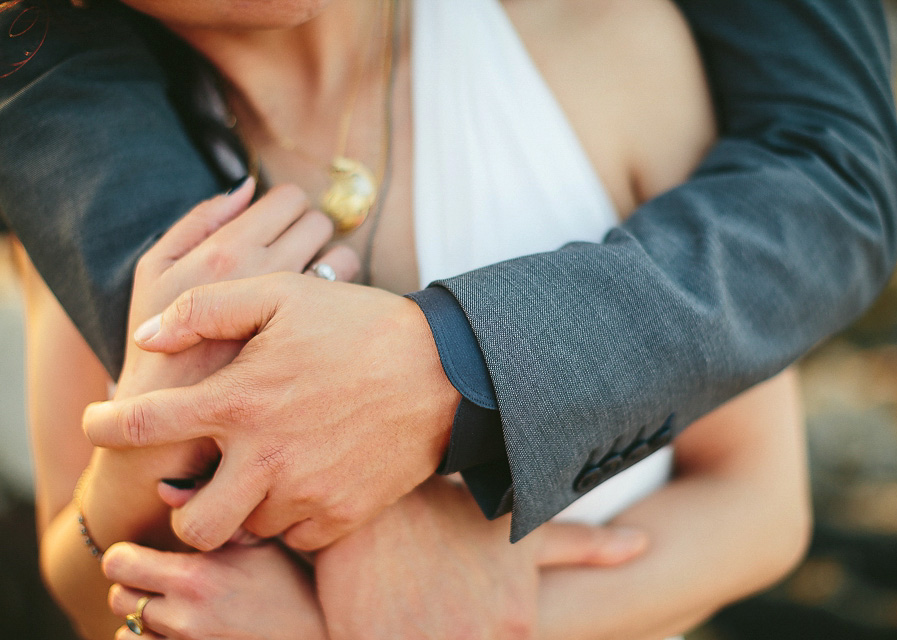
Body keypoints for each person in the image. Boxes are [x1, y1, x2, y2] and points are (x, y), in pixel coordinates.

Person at [12, 1, 812, 637]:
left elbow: (762, 504)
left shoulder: (599, 41)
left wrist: (340, 633)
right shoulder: (82, 175)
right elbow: (79, 588)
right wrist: (136, 459)